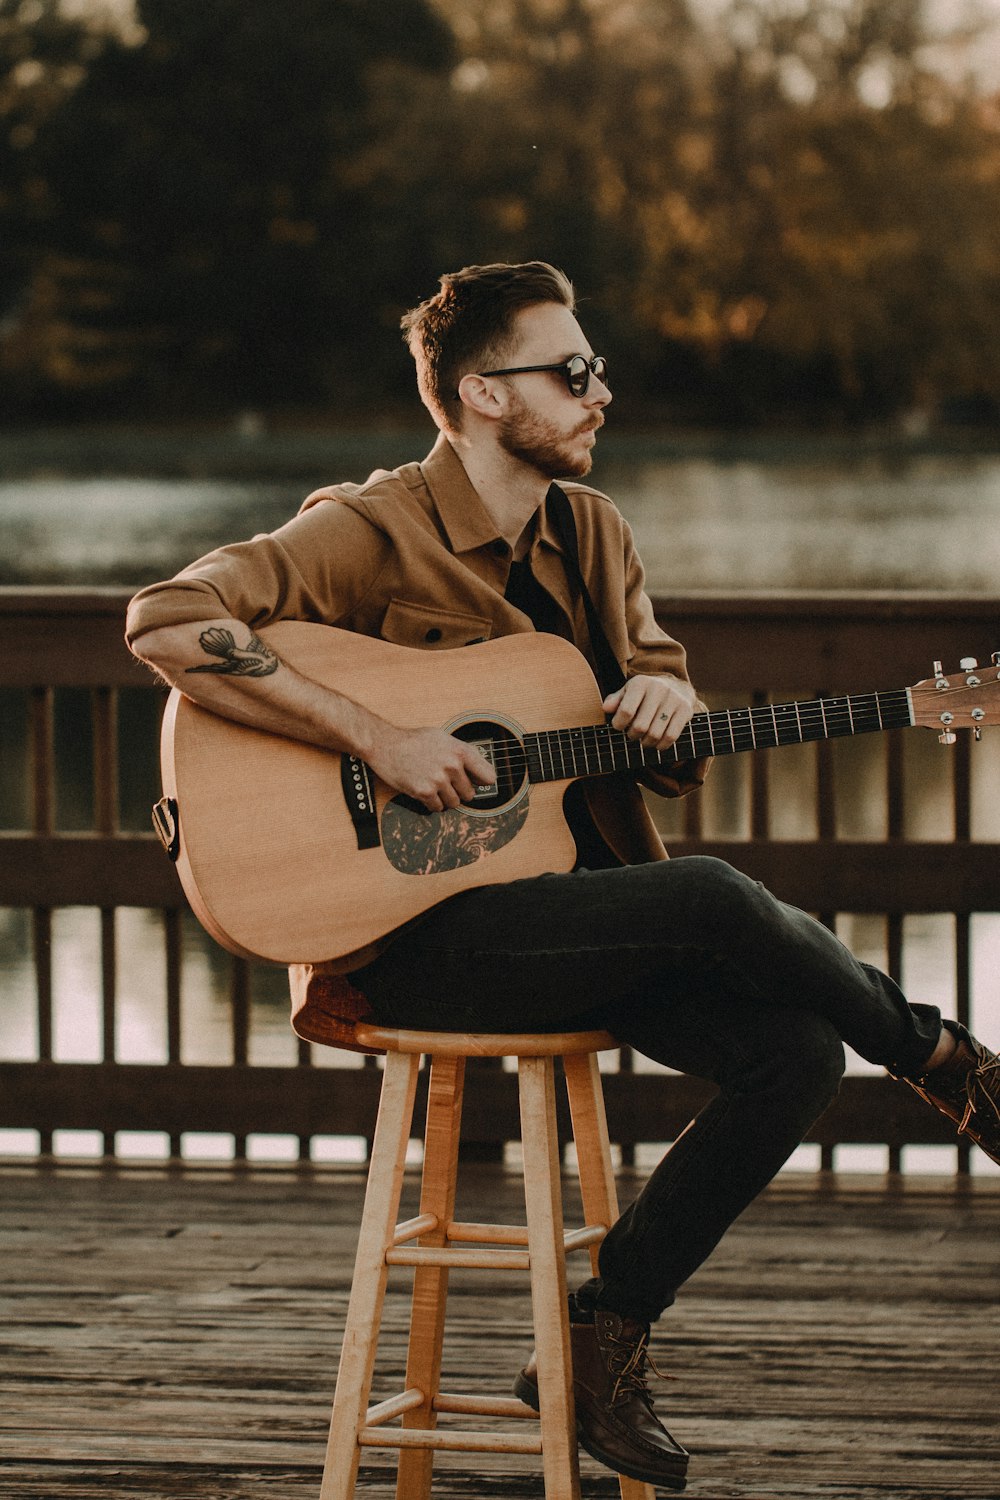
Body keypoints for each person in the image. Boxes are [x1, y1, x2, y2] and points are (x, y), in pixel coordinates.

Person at [126, 260, 1000, 1492]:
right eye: (572, 371)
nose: (602, 393)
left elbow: (651, 717)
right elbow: (168, 619)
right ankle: (948, 1067)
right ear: (484, 393)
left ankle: (600, 1336)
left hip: (578, 909)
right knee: (707, 893)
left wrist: (668, 696)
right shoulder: (366, 529)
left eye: (596, 369)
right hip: (419, 935)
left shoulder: (595, 534)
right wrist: (381, 739)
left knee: (794, 1053)